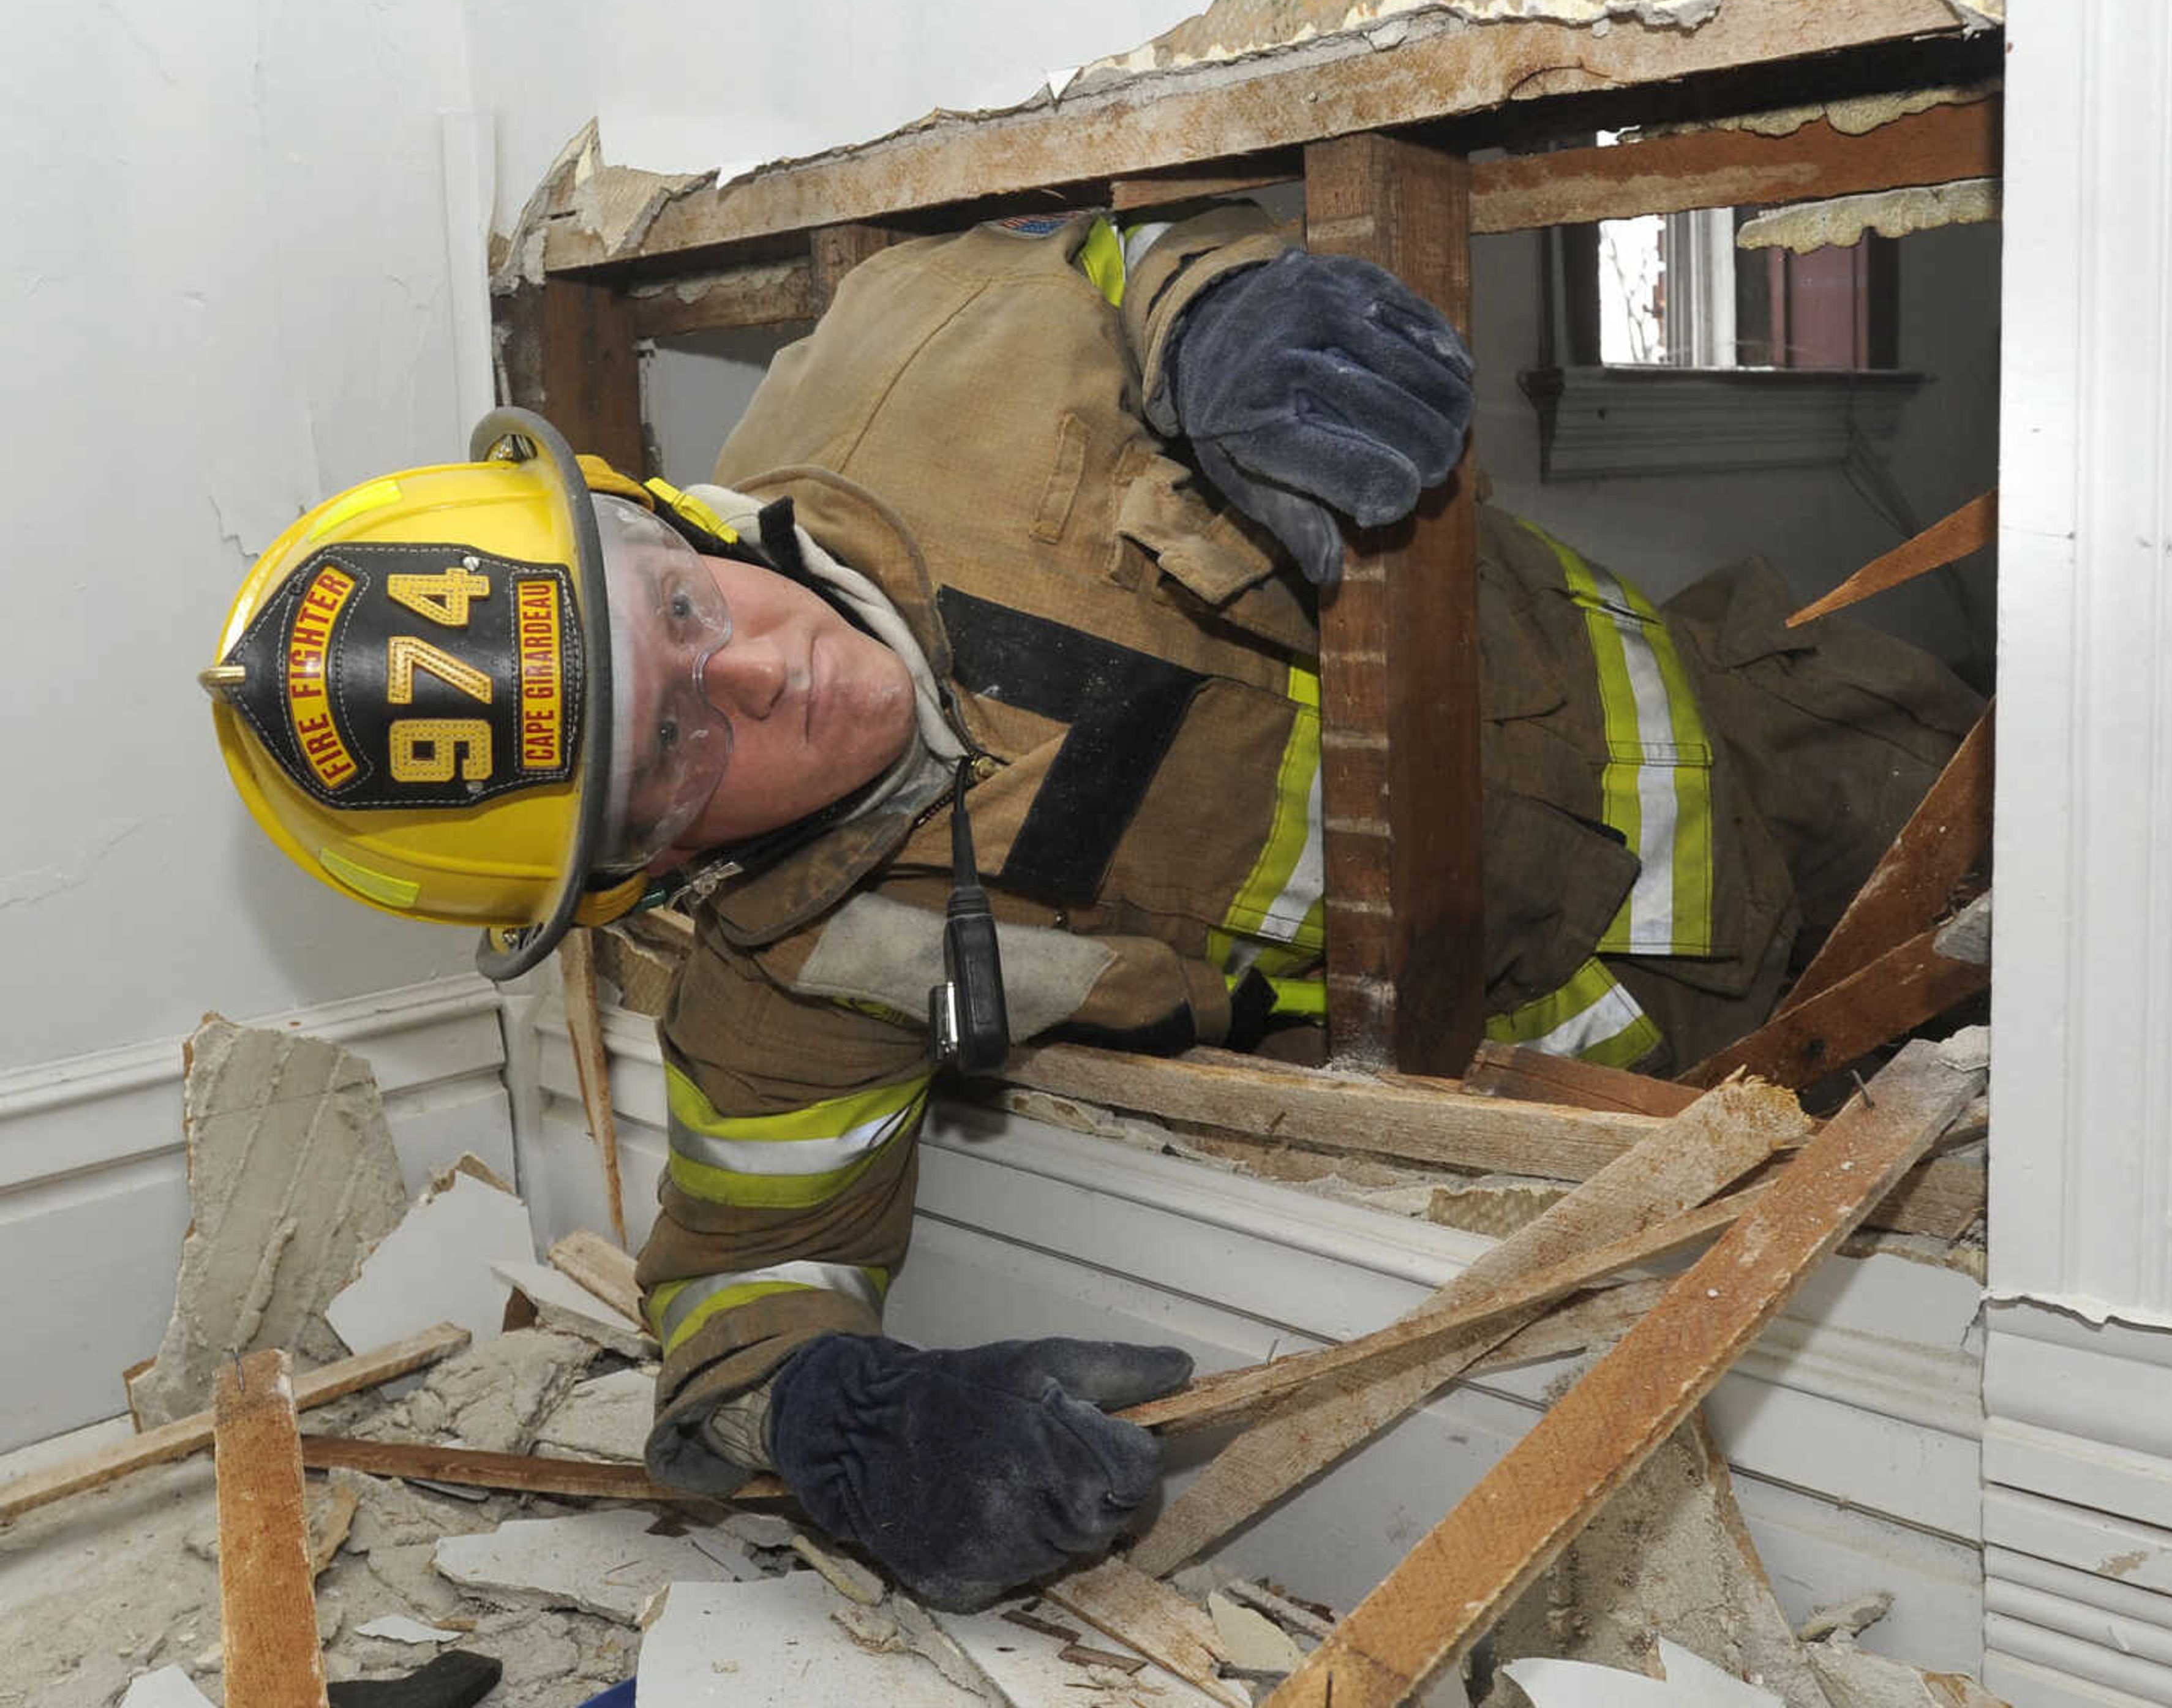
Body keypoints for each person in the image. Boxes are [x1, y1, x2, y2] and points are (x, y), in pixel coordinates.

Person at [202, 203, 1979, 1610]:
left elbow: (1126, 255)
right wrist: (847, 1426)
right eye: (673, 756)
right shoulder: (796, 979)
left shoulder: (916, 357)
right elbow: (742, 1295)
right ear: (639, 875)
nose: (758, 676)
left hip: (1789, 722)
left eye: (675, 614)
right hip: (1686, 1066)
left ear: (648, 511)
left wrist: (1225, 322)